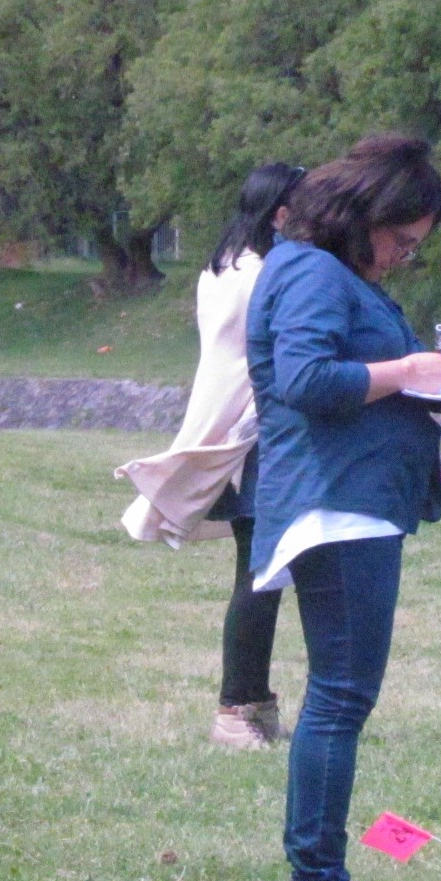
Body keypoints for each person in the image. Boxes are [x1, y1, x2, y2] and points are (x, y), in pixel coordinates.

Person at [245, 134, 441, 881]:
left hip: (359, 501)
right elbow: (306, 381)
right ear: (363, 213)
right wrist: (405, 374)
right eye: (401, 240)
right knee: (339, 699)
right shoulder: (309, 270)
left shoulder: (339, 276)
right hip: (334, 505)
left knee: (342, 697)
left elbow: (398, 379)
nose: (405, 257)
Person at [115, 163, 308, 750]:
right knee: (261, 573)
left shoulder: (224, 267)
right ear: (280, 215)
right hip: (255, 435)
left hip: (245, 430)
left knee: (264, 570)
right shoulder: (264, 275)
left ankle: (254, 703)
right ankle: (235, 709)